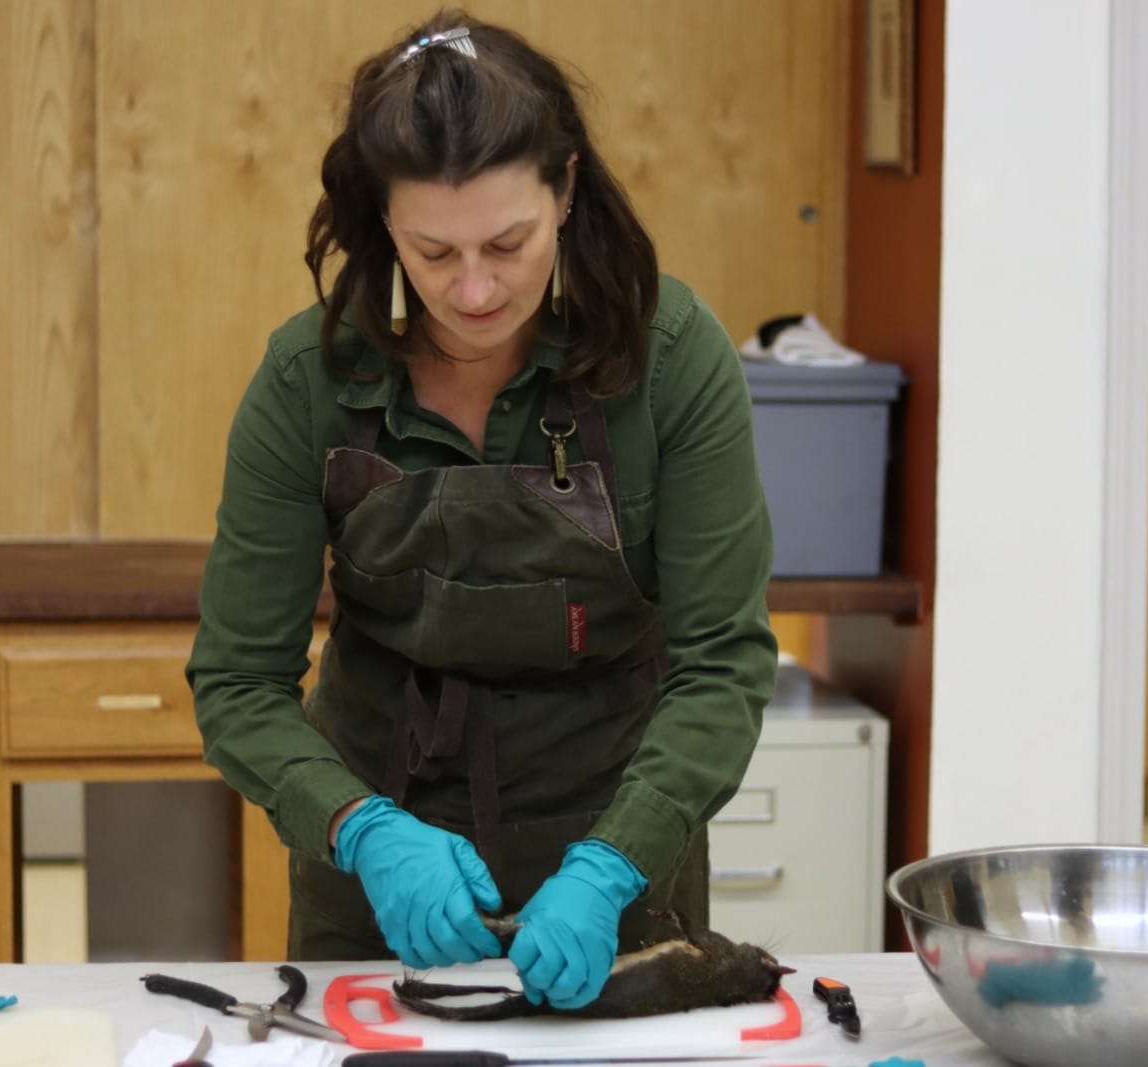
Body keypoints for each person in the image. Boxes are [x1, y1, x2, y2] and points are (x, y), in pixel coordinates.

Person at [186, 10, 778, 1012]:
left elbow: (724, 660)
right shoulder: (308, 380)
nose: (472, 289)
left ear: (567, 190)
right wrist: (358, 828)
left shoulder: (670, 356)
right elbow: (238, 680)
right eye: (432, 251)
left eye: (508, 243)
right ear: (382, 224)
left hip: (619, 840)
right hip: (379, 843)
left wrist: (610, 866)